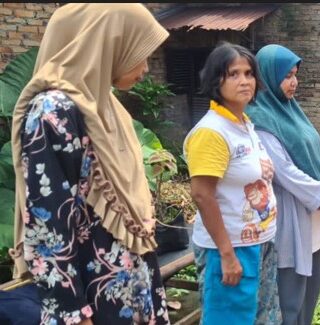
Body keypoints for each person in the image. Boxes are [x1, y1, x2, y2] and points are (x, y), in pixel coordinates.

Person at [9, 4, 171, 324]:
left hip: (130, 283)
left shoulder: (105, 107)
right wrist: (73, 314)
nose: (146, 68)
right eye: (139, 53)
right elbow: (48, 222)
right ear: (107, 44)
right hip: (93, 302)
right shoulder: (53, 110)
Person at [184, 42, 278, 324]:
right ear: (216, 80)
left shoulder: (243, 123)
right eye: (233, 74)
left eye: (249, 73)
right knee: (229, 319)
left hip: (259, 241)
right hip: (230, 247)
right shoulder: (212, 131)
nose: (244, 81)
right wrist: (227, 254)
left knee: (261, 318)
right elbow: (202, 196)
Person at [246, 44, 320, 325]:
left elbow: (319, 152)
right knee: (289, 298)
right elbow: (283, 172)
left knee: (310, 293)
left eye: (295, 74)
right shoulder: (261, 120)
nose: (294, 82)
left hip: (312, 216)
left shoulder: (293, 112)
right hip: (289, 217)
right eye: (286, 76)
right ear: (267, 78)